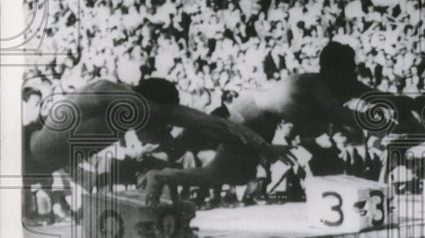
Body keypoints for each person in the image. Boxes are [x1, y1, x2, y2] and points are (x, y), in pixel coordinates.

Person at [141, 42, 412, 205]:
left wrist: (414, 106)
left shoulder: (341, 83)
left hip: (261, 123)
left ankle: (161, 175)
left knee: (225, 176)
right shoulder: (315, 83)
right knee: (184, 149)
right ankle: (159, 156)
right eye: (347, 68)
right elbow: (340, 114)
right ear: (332, 69)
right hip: (245, 114)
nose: (352, 73)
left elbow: (378, 96)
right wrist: (384, 123)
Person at [24, 77, 277, 191]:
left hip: (41, 161)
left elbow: (201, 125)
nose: (161, 130)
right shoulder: (120, 99)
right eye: (161, 120)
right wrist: (260, 144)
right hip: (22, 150)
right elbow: (201, 120)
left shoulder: (127, 109)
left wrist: (259, 144)